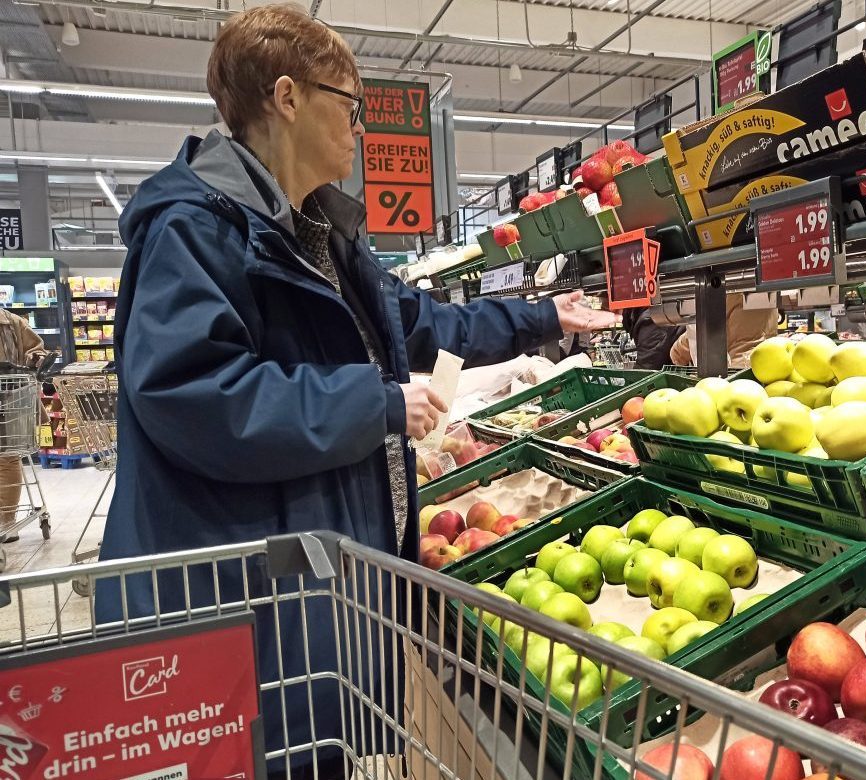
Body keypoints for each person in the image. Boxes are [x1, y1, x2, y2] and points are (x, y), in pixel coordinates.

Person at [95, 5, 616, 777]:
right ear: (287, 97)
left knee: (316, 746)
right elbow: (194, 394)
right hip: (234, 599)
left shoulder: (319, 234)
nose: (361, 128)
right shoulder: (194, 230)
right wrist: (371, 405)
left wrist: (541, 315)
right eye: (350, 104)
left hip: (303, 583)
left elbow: (415, 321)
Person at [0, 309, 45, 543]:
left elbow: (37, 349)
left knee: (7, 457)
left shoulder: (12, 322)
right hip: (11, 397)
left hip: (11, 398)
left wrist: (35, 358)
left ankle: (6, 520)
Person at [669, 293, 778, 369]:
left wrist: (676, 353)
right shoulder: (765, 286)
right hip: (770, 364)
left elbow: (704, 331)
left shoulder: (726, 289)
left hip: (737, 370)